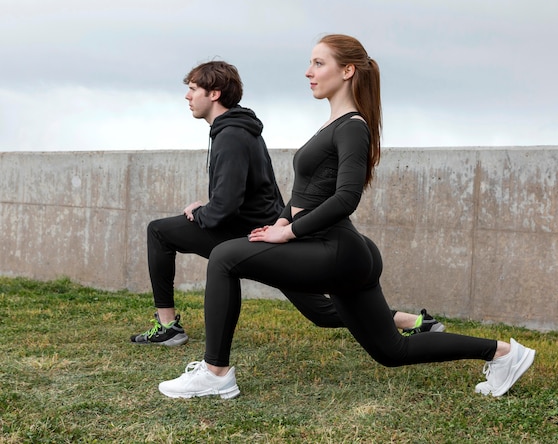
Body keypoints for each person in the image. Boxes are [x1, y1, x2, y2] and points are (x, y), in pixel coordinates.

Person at [157, 34, 536, 400]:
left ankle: (216, 374)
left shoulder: (353, 126)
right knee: (391, 352)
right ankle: (504, 353)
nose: (309, 71)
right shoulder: (332, 125)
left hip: (336, 247)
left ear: (348, 71)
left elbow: (346, 198)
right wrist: (281, 222)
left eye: (319, 63)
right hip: (346, 253)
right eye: (310, 63)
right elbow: (306, 192)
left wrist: (289, 234)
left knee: (225, 257)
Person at [130, 60, 443, 347]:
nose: (187, 96)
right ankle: (415, 322)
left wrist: (201, 213)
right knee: (319, 311)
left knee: (161, 233)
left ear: (214, 94)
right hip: (261, 226)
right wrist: (207, 208)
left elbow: (226, 206)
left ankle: (170, 329)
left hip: (255, 233)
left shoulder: (232, 136)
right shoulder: (236, 130)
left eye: (193, 89)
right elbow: (236, 194)